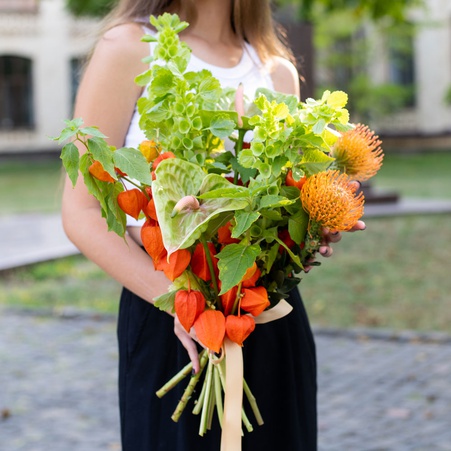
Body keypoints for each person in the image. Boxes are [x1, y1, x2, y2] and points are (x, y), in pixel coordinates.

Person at [62, 1, 366, 450]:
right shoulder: (127, 48)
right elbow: (81, 213)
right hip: (171, 321)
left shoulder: (276, 71)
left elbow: (289, 194)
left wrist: (311, 223)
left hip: (268, 319)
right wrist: (184, 307)